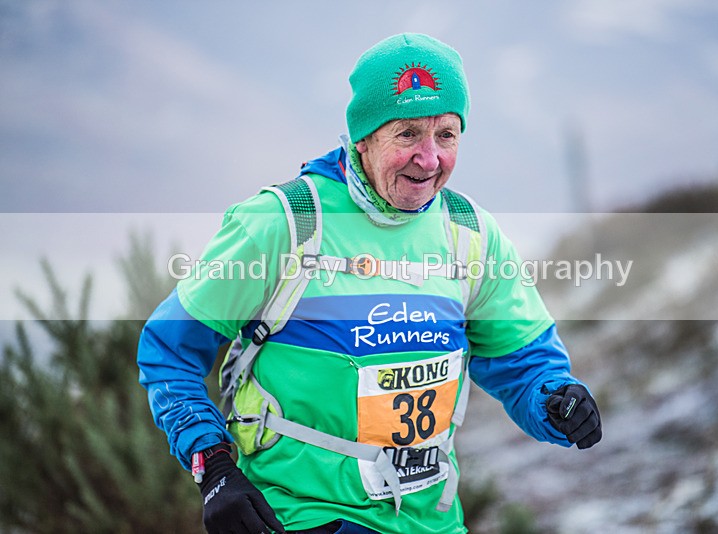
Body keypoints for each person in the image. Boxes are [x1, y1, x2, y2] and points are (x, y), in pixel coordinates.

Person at [138, 33, 601, 534]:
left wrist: (556, 400)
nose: (429, 159)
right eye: (406, 134)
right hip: (301, 517)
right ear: (364, 136)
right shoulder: (284, 223)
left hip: (431, 521)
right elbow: (169, 352)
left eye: (446, 135)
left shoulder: (470, 234)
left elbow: (524, 362)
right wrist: (215, 470)